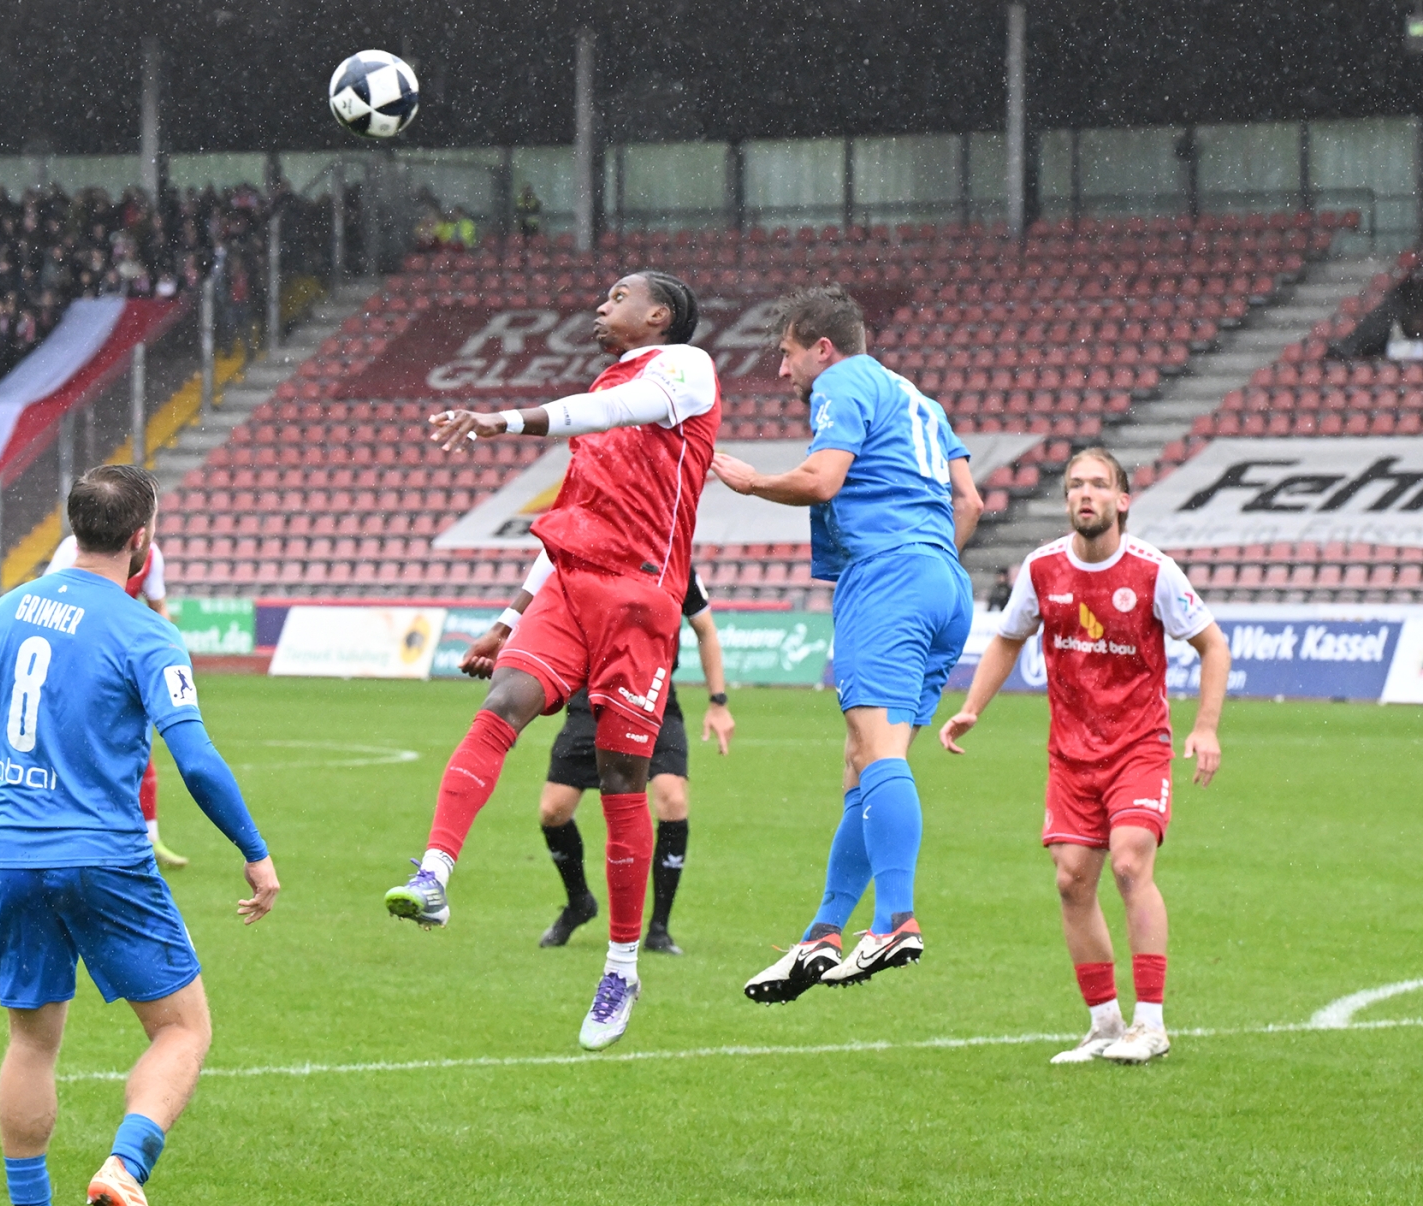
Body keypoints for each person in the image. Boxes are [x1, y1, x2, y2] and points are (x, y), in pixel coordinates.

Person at [383, 271, 719, 1051]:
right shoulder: (604, 390)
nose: (602, 304)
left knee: (622, 780)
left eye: (619, 296)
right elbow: (573, 517)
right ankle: (434, 873)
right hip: (570, 586)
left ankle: (622, 966)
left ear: (659, 314)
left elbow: (612, 410)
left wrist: (502, 420)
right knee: (503, 702)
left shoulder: (685, 370)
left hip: (639, 599)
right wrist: (508, 618)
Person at [0, 465, 279, 1206]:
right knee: (182, 1027)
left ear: (73, 527)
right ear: (141, 539)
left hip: (12, 846)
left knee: (31, 1038)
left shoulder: (7, 610)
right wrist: (253, 850)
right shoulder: (146, 632)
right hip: (101, 852)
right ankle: (125, 1165)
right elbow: (196, 759)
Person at [713, 285, 982, 1003]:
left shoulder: (843, 382)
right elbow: (971, 502)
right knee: (862, 765)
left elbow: (822, 480)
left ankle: (895, 919)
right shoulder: (921, 401)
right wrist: (926, 560)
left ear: (823, 349)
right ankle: (824, 933)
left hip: (888, 579)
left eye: (787, 354)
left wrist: (751, 481)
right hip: (945, 582)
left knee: (878, 754)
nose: (783, 371)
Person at [939, 447, 1230, 1065]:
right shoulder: (1042, 568)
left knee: (1128, 864)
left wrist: (1205, 728)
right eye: (1075, 485)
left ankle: (1151, 1024)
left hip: (1138, 747)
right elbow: (1008, 639)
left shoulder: (1153, 571)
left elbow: (1214, 646)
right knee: (1072, 880)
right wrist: (972, 708)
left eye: (1098, 485)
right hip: (1071, 755)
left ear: (1122, 501)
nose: (1085, 494)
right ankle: (1104, 1025)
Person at [460, 551, 735, 954]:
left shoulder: (675, 562)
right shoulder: (589, 554)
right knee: (553, 811)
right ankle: (579, 903)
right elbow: (543, 614)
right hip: (590, 697)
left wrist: (718, 701)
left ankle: (658, 928)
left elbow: (705, 630)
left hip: (653, 694)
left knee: (672, 800)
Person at [48, 531, 189, 868]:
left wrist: (168, 646)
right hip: (76, 662)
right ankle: (66, 834)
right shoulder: (73, 548)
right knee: (71, 746)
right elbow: (49, 597)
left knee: (138, 748)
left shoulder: (151, 556)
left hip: (118, 666)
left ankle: (148, 839)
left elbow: (158, 607)